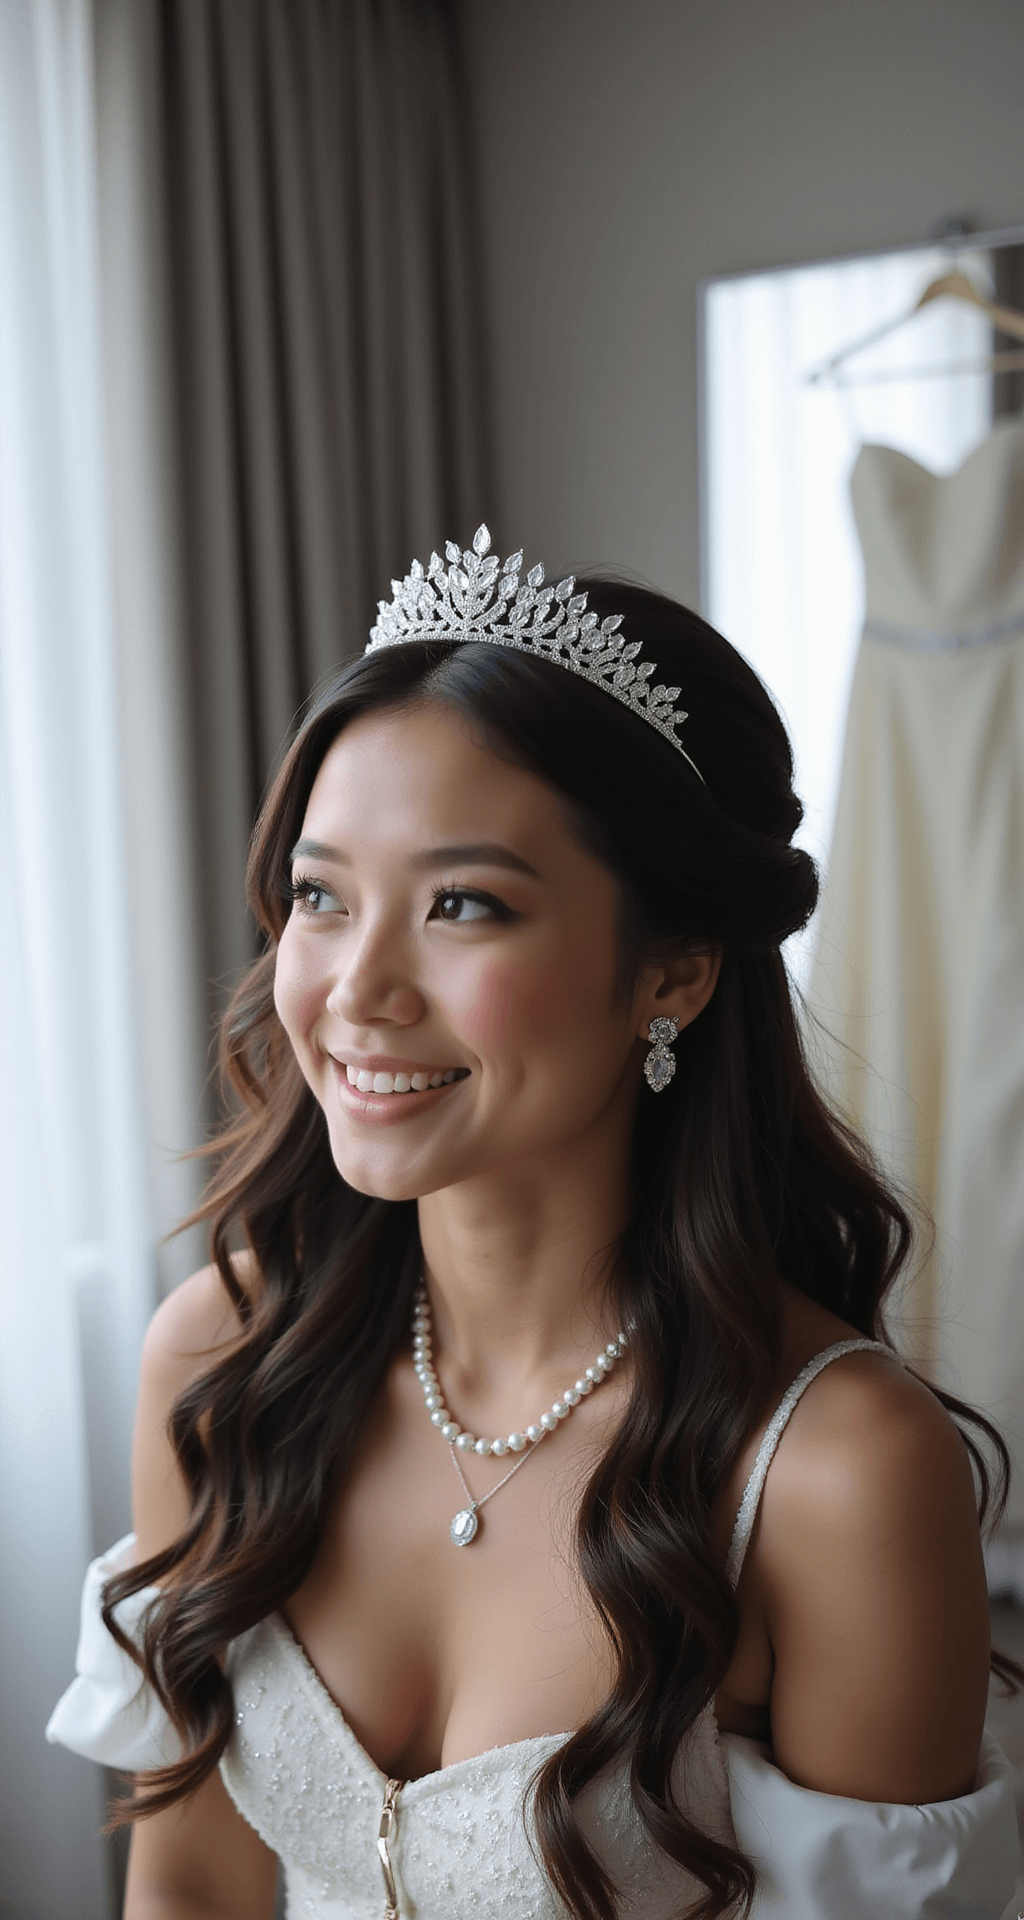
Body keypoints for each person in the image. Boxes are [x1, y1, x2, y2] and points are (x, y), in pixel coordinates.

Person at [49, 529, 1021, 1918]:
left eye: (463, 905)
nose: (355, 989)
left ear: (672, 972)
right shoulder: (222, 1361)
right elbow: (191, 1884)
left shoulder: (837, 1474)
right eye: (320, 897)